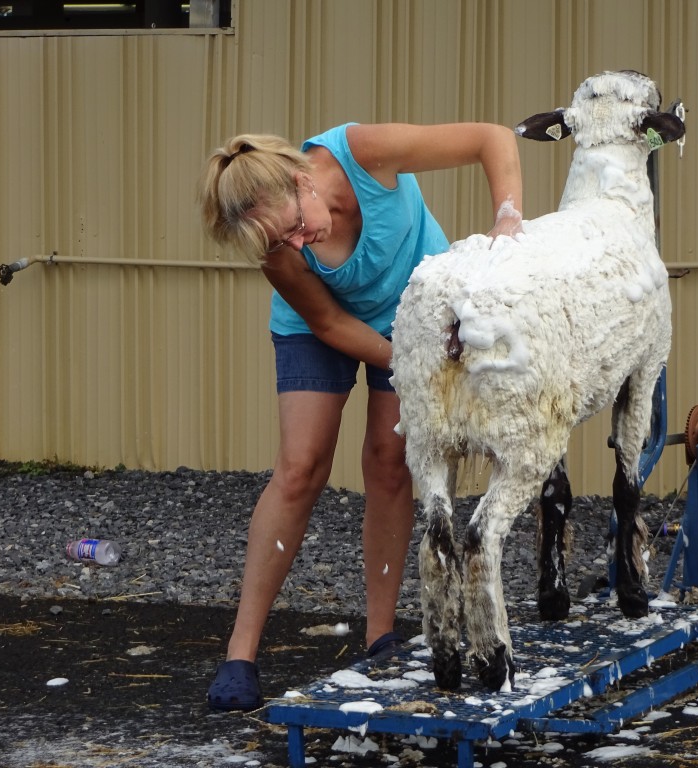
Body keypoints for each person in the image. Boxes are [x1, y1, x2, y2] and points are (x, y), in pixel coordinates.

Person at [198, 121, 523, 711]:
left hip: (413, 306)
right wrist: (406, 360)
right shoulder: (277, 247)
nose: (297, 244)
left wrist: (507, 220)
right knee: (300, 467)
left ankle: (381, 637)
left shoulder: (363, 153)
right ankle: (240, 654)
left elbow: (492, 138)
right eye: (283, 242)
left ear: (304, 181)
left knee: (389, 460)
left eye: (297, 227)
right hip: (325, 327)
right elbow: (328, 324)